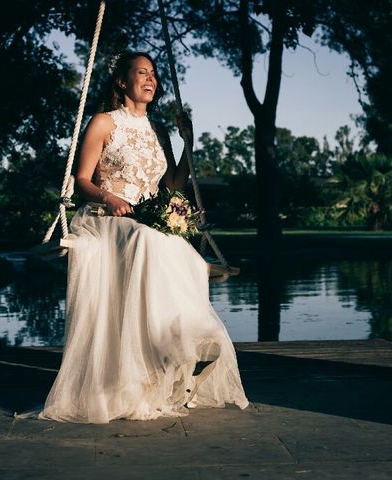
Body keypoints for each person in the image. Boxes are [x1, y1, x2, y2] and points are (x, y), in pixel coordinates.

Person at [39, 51, 248, 423]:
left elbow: (171, 185)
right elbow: (82, 180)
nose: (150, 79)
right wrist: (110, 197)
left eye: (153, 73)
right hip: (105, 216)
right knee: (149, 242)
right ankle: (158, 351)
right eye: (141, 73)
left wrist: (189, 145)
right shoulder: (104, 123)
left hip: (146, 220)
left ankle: (178, 343)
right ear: (122, 81)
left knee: (183, 253)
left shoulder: (159, 131)